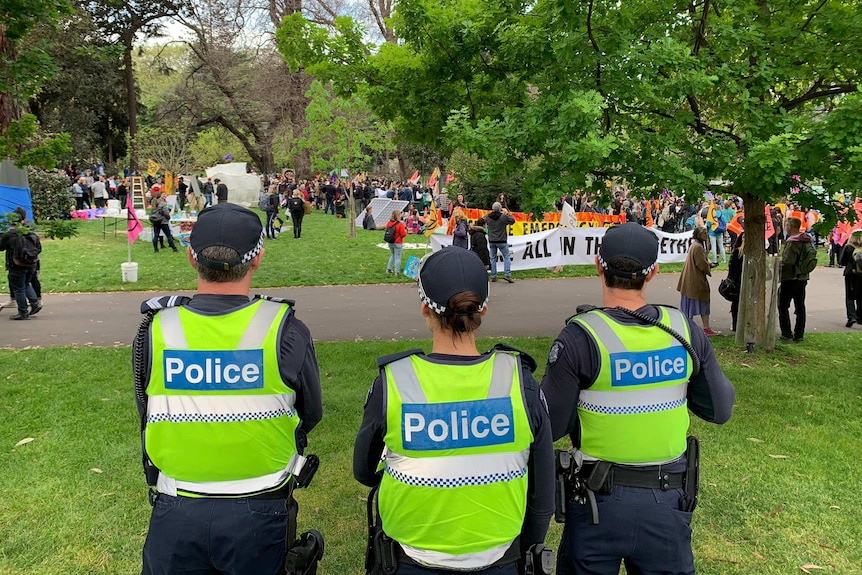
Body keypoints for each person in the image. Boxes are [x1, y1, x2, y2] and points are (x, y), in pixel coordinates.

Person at [133, 203, 323, 575]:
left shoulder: (156, 331)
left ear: (191, 257)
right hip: (259, 509)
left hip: (177, 507)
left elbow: (148, 409)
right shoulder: (286, 330)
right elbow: (310, 414)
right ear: (258, 259)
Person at [541, 222, 735, 575]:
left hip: (597, 502)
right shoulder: (682, 329)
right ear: (654, 272)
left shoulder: (580, 336)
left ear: (599, 266)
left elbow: (550, 425)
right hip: (667, 500)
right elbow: (720, 409)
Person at [354, 248, 554, 575]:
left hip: (408, 560)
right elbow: (542, 496)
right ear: (483, 310)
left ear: (424, 309)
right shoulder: (521, 383)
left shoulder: (394, 382)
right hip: (500, 561)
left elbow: (364, 471)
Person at [677, 226, 719, 335]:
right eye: (704, 233)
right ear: (699, 235)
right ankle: (705, 327)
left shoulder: (695, 245)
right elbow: (701, 264)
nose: (706, 235)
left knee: (689, 304)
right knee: (703, 301)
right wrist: (709, 267)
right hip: (695, 280)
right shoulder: (698, 247)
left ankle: (688, 326)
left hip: (690, 280)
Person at [778, 216, 814, 342]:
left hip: (789, 277)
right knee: (800, 306)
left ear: (790, 226)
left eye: (786, 225)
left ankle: (786, 333)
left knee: (783, 306)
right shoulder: (806, 239)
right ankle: (799, 334)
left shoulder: (793, 241)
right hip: (803, 276)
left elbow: (788, 261)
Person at [0, 212, 42, 320]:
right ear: (22, 221)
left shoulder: (9, 235)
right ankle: (34, 303)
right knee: (26, 284)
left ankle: (23, 312)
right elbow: (39, 248)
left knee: (18, 288)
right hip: (31, 264)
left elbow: (1, 247)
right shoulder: (30, 233)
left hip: (16, 265)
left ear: (9, 222)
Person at [486, 201, 515, 283]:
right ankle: (507, 274)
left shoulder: (488, 217)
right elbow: (513, 221)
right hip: (502, 240)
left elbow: (482, 220)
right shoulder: (503, 217)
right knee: (506, 256)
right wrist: (507, 214)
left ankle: (493, 275)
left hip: (492, 240)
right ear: (500, 209)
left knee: (493, 258)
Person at [839, 230, 862, 328]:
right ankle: (860, 317)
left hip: (850, 273)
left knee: (850, 296)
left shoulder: (848, 247)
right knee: (860, 295)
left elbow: (842, 261)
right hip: (861, 274)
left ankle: (851, 316)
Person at [727, 232, 745, 332]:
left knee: (738, 305)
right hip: (738, 283)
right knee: (737, 305)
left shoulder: (738, 252)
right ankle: (736, 325)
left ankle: (738, 325)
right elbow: (732, 268)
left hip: (743, 283)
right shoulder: (737, 252)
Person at [385, 210, 408, 275]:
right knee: (398, 257)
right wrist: (405, 231)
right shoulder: (400, 224)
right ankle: (396, 272)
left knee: (392, 255)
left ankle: (388, 269)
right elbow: (403, 234)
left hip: (390, 241)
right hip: (398, 242)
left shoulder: (389, 223)